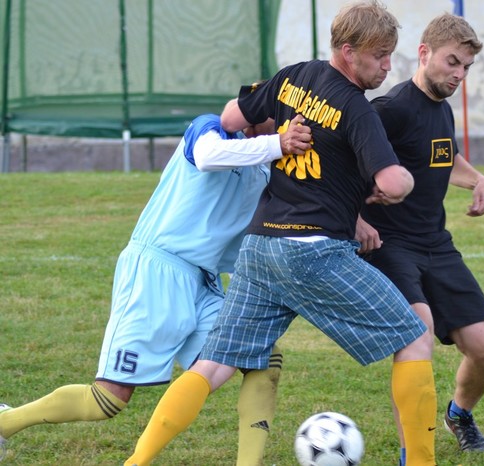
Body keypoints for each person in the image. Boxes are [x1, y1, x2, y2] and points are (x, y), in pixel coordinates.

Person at [122, 2, 438, 466]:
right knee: (414, 338)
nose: (388, 65)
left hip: (259, 249)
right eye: (380, 55)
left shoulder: (294, 75)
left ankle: (135, 462)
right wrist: (405, 180)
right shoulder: (356, 108)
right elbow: (391, 183)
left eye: (391, 54)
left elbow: (231, 118)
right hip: (314, 253)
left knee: (213, 365)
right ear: (348, 51)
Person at [0, 96, 312, 465]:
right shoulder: (210, 128)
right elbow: (208, 156)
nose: (291, 124)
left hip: (205, 282)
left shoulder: (267, 171)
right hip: (156, 270)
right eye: (283, 116)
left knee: (262, 356)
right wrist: (278, 144)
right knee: (108, 399)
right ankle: (5, 423)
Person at [358, 13, 484, 460]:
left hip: (436, 243)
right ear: (424, 53)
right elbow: (343, 165)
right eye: (452, 62)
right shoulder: (391, 110)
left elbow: (443, 156)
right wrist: (356, 218)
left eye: (466, 67)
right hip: (390, 245)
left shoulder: (442, 108)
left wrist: (478, 178)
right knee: (416, 337)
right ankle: (413, 455)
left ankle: (459, 414)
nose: (459, 75)